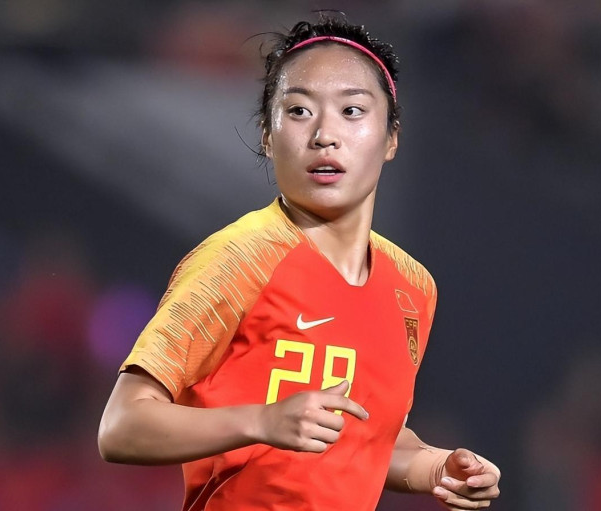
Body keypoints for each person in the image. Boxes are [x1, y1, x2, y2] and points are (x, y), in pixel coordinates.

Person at [98, 15, 501, 511]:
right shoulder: (238, 259)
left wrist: (436, 469)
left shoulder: (413, 286)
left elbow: (367, 438)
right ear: (267, 136)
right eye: (299, 111)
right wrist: (261, 421)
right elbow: (121, 426)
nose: (325, 135)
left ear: (392, 138)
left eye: (352, 111)